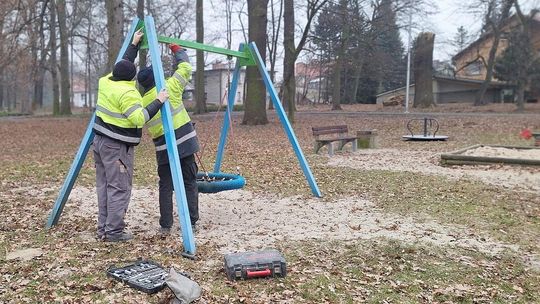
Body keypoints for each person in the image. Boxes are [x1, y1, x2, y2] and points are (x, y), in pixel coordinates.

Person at [93, 29, 169, 242]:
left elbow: (123, 63)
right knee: (119, 188)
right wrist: (159, 100)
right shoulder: (127, 93)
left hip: (99, 143)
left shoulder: (106, 81)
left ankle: (104, 229)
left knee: (104, 186)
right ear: (131, 78)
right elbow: (139, 118)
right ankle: (114, 232)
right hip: (117, 147)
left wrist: (134, 44)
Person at [137, 43, 200, 234]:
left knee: (165, 185)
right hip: (185, 143)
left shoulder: (143, 101)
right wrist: (177, 51)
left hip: (164, 148)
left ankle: (166, 224)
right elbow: (186, 68)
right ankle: (192, 221)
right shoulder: (169, 87)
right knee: (189, 181)